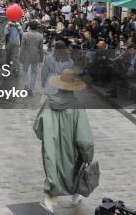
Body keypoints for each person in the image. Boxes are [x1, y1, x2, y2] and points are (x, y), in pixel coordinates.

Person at [33, 69, 94, 212]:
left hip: (50, 146)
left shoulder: (48, 103)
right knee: (75, 169)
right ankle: (76, 195)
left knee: (52, 169)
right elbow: (84, 139)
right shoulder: (77, 106)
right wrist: (87, 155)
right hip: (71, 149)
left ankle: (50, 199)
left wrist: (47, 137)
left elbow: (37, 127)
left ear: (59, 85)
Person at [20, 20, 44, 95]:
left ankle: (26, 84)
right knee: (34, 72)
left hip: (26, 55)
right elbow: (41, 48)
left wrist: (20, 56)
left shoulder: (25, 35)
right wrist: (41, 58)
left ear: (29, 26)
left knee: (25, 70)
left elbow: (22, 47)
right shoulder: (40, 35)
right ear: (37, 27)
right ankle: (31, 88)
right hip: (35, 56)